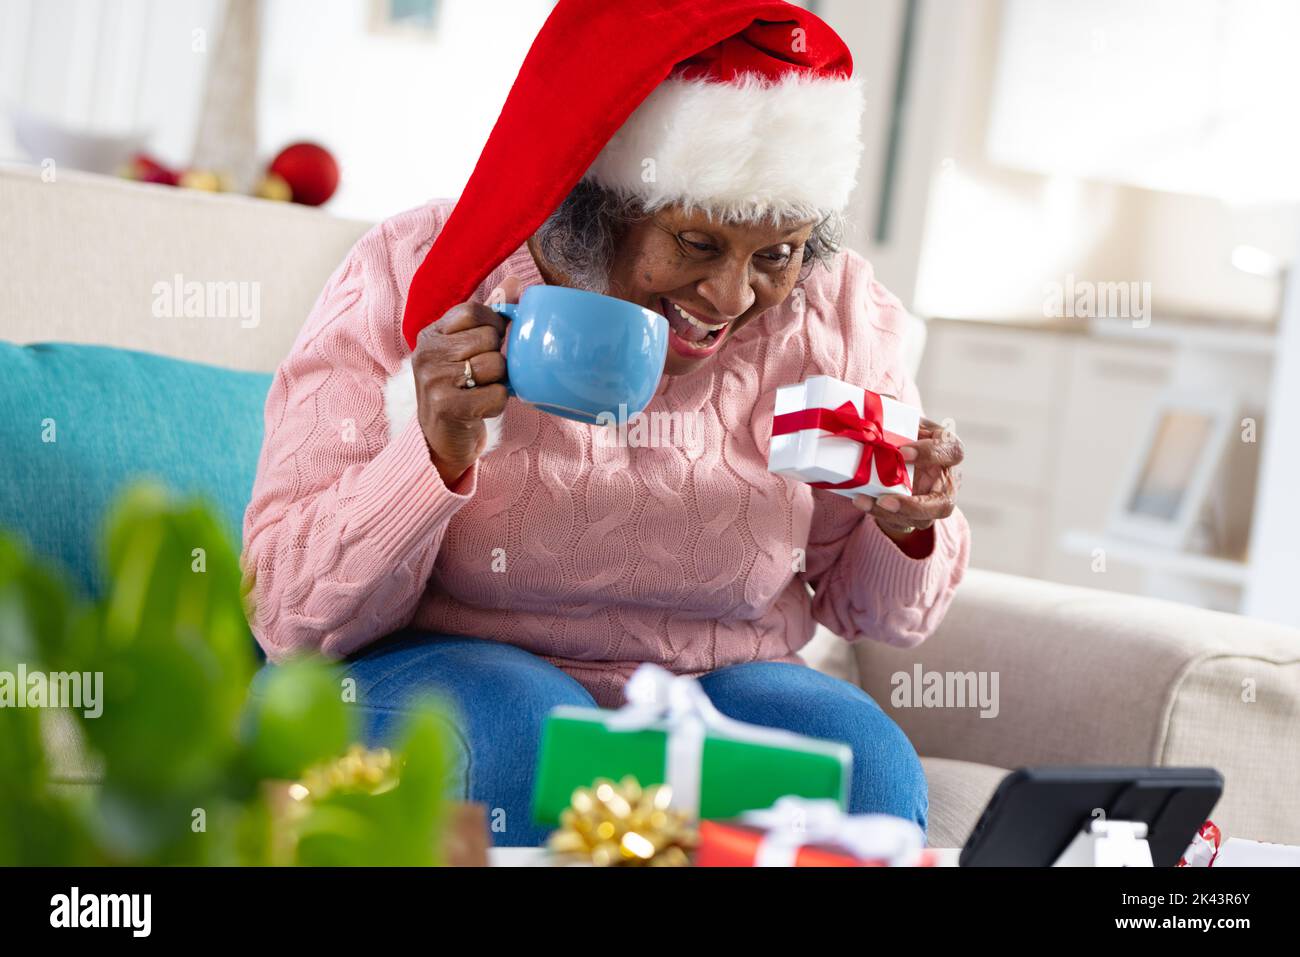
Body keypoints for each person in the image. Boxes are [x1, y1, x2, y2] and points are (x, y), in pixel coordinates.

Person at [242, 0, 969, 847]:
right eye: (696, 243)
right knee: (543, 741)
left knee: (865, 768)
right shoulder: (417, 271)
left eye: (775, 255)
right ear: (594, 206)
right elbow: (289, 615)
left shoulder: (831, 311)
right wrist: (430, 451)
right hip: (438, 670)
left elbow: (880, 616)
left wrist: (905, 522)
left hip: (716, 676)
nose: (733, 297)